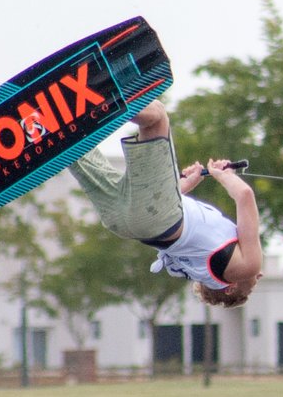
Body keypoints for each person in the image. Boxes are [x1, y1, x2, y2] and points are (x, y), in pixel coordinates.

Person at [67, 101, 262, 308]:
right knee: (76, 148)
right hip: (126, 222)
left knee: (157, 117)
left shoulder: (247, 267)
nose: (259, 275)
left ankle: (98, 100)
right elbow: (154, 211)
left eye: (251, 286)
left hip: (156, 219)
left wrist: (224, 175)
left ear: (230, 287)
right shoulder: (198, 267)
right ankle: (49, 126)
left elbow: (245, 195)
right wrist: (185, 185)